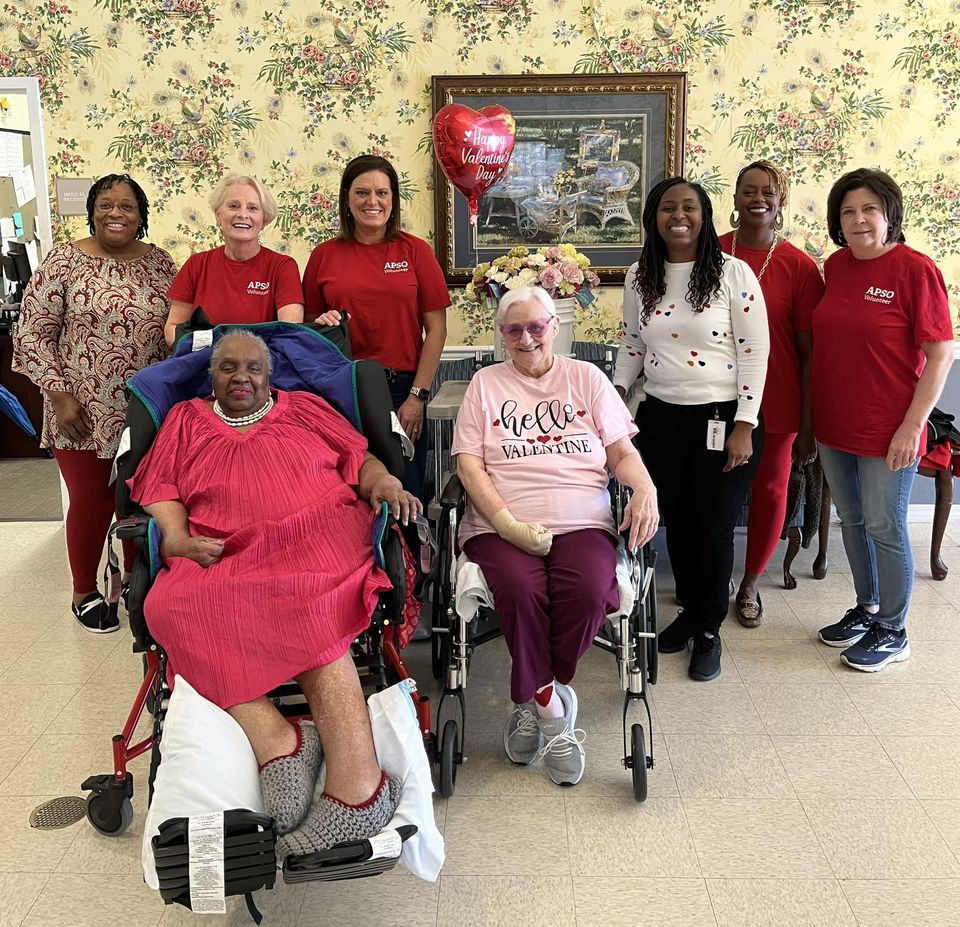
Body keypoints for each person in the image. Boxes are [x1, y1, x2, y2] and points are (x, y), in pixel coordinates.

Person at [126, 329, 418, 857]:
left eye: (254, 368)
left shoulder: (305, 408)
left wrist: (383, 484)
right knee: (170, 606)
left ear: (270, 373)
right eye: (228, 368)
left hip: (317, 536)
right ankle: (278, 740)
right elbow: (161, 487)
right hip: (223, 547)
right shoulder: (185, 420)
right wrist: (177, 538)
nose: (242, 378)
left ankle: (360, 787)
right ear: (210, 376)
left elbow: (361, 460)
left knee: (310, 602)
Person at [452, 286, 659, 787]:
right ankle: (551, 711)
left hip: (581, 519)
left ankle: (537, 693)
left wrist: (645, 487)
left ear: (555, 326)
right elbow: (468, 465)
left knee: (589, 591)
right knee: (521, 591)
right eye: (514, 329)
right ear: (501, 335)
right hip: (500, 523)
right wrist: (505, 524)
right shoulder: (484, 383)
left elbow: (621, 453)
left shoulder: (586, 378)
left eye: (536, 326)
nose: (526, 338)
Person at [614, 177, 770, 682]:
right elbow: (634, 344)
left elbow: (754, 350)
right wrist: (615, 398)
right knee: (676, 523)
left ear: (704, 216)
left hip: (723, 418)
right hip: (661, 417)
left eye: (688, 207)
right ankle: (689, 613)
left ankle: (709, 629)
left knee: (714, 528)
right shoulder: (642, 275)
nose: (677, 216)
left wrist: (745, 424)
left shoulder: (733, 272)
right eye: (666, 208)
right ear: (652, 219)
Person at [13, 173, 176, 633]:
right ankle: (83, 590)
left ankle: (132, 583)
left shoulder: (161, 264)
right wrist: (60, 397)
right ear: (92, 210)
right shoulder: (64, 261)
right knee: (91, 500)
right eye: (106, 204)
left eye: (127, 206)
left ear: (141, 215)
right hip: (79, 410)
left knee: (137, 501)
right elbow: (31, 335)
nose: (116, 214)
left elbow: (175, 330)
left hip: (144, 410)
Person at [813, 168, 954, 672]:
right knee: (850, 520)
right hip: (833, 423)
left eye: (869, 209)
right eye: (848, 211)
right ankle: (868, 608)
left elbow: (940, 354)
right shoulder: (837, 266)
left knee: (885, 525)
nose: (858, 220)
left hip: (888, 428)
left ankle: (894, 630)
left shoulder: (916, 270)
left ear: (889, 213)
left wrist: (913, 427)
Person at [302, 155, 449, 500]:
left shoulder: (415, 251)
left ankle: (409, 554)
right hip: (342, 391)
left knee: (406, 490)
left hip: (403, 392)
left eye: (382, 193)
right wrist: (318, 321)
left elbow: (437, 330)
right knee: (347, 490)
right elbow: (306, 326)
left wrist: (418, 397)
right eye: (362, 193)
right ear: (346, 199)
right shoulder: (324, 255)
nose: (373, 202)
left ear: (393, 200)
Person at [718, 160, 825, 627]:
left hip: (777, 403)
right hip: (715, 396)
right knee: (715, 488)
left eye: (768, 191)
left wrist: (807, 424)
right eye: (748, 190)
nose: (757, 198)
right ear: (736, 197)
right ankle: (710, 575)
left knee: (770, 489)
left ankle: (750, 583)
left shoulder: (800, 267)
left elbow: (808, 355)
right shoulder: (710, 250)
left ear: (780, 202)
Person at [164, 174, 303, 346]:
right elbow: (172, 330)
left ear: (263, 220)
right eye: (233, 206)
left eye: (252, 208)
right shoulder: (196, 264)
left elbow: (290, 334)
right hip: (202, 363)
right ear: (218, 215)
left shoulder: (282, 266)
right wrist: (212, 352)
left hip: (262, 368)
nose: (243, 214)